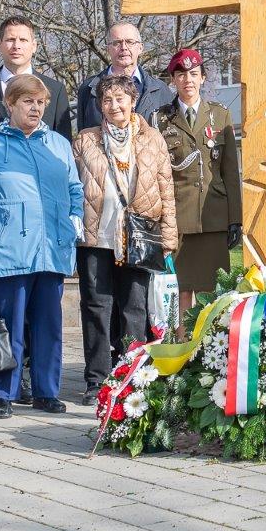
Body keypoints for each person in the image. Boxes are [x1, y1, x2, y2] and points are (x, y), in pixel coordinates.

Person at [0, 15, 72, 410]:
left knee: (48, 327)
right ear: (10, 104)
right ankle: (3, 392)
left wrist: (72, 223)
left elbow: (74, 187)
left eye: (41, 103)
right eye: (28, 102)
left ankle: (46, 392)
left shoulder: (58, 144)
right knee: (8, 324)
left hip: (51, 248)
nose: (36, 108)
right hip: (8, 247)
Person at [73, 74, 177, 406]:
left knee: (134, 308)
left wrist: (169, 236)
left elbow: (166, 190)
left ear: (133, 101)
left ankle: (132, 373)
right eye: (107, 100)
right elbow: (72, 189)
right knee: (96, 308)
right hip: (95, 237)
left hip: (140, 236)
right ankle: (96, 380)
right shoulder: (85, 141)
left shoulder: (153, 140)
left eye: (120, 99)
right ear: (99, 106)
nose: (114, 105)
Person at [153, 49, 241, 306]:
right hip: (178, 217)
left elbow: (230, 172)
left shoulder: (221, 114)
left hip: (213, 215)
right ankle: (181, 344)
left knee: (212, 292)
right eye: (181, 74)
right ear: (173, 80)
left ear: (203, 78)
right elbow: (159, 174)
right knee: (181, 289)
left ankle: (209, 346)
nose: (187, 80)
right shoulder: (160, 119)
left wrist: (235, 218)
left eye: (193, 74)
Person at [75, 21, 171, 130]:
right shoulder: (89, 89)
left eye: (130, 42)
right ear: (108, 49)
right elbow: (82, 133)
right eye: (117, 43)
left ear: (140, 48)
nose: (124, 47)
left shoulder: (160, 90)